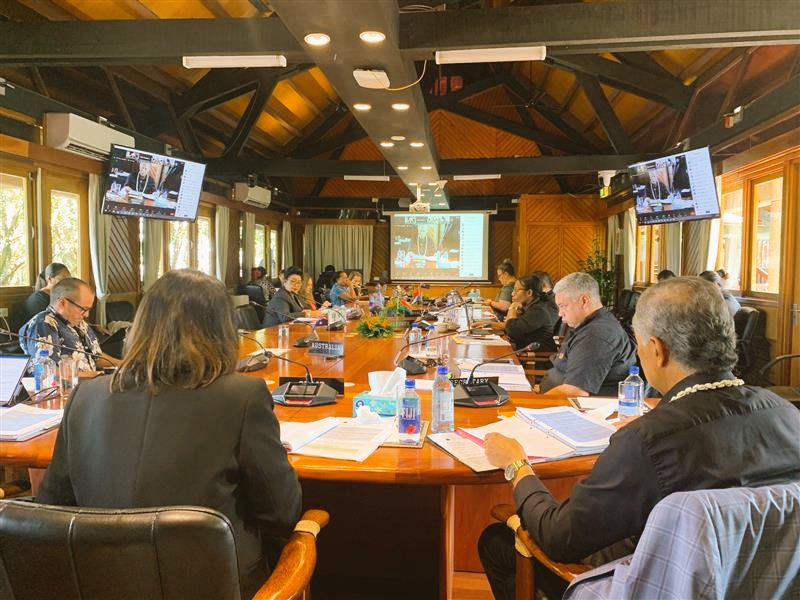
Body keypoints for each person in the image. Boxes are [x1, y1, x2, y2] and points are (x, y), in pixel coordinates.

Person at [478, 276, 800, 600]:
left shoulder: (647, 441)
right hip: (764, 587)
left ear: (657, 349)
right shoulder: (788, 415)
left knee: (497, 542)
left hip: (657, 587)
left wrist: (516, 464)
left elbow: (558, 536)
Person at [36, 269, 302, 599]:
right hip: (215, 585)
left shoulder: (84, 396)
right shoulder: (243, 397)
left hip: (101, 584)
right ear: (222, 329)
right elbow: (282, 513)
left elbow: (51, 505)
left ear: (142, 324)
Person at [539, 272, 636, 396]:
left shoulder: (597, 335)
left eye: (563, 306)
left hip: (571, 408)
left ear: (584, 301)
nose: (560, 313)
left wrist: (531, 406)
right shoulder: (589, 324)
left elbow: (575, 392)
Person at [19, 277, 118, 372]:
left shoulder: (79, 322)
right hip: (67, 388)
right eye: (83, 309)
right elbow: (50, 371)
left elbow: (97, 358)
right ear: (62, 303)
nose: (87, 315)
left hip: (90, 383)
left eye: (88, 310)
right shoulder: (43, 324)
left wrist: (125, 364)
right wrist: (97, 376)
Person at [503, 275, 559, 352]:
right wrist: (490, 324)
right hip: (524, 349)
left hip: (536, 358)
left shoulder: (538, 310)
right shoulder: (530, 306)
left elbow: (512, 330)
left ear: (529, 292)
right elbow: (511, 325)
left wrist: (512, 307)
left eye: (516, 290)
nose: (512, 294)